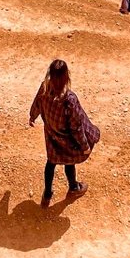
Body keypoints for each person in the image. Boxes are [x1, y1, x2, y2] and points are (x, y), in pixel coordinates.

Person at [28, 59, 100, 208]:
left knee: (51, 163)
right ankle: (73, 187)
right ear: (67, 76)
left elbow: (37, 103)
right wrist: (85, 145)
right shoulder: (69, 99)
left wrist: (32, 116)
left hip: (51, 134)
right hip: (67, 139)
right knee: (69, 163)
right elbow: (77, 127)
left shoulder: (44, 88)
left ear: (50, 74)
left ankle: (47, 195)